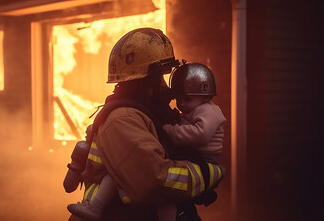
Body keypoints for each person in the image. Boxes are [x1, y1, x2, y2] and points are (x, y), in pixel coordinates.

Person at [64, 28, 225, 221]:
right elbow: (154, 181)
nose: (167, 87)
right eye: (162, 78)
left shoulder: (142, 113)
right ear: (147, 81)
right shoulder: (123, 119)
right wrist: (209, 174)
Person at [156, 61, 226, 221]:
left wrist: (171, 130)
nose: (181, 104)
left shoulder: (208, 110)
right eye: (178, 99)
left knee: (166, 190)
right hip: (194, 156)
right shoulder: (194, 108)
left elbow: (200, 134)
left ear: (206, 96)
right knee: (165, 195)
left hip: (204, 159)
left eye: (187, 99)